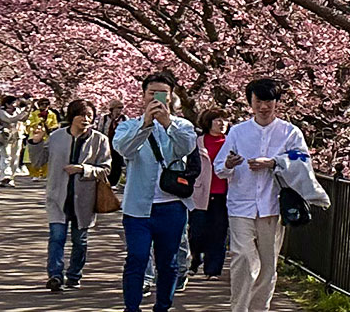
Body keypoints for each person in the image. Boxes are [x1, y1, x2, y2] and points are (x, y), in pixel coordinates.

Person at [214, 78, 303, 312]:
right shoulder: (237, 132)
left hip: (272, 206)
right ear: (251, 103)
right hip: (240, 204)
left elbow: (302, 161)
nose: (264, 107)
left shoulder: (290, 132)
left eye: (269, 101)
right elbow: (219, 166)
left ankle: (258, 309)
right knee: (242, 257)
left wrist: (274, 162)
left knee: (268, 265)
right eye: (259, 101)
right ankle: (239, 308)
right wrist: (230, 164)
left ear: (276, 103)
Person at [115, 72, 198, 312]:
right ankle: (131, 307)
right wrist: (146, 125)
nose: (157, 99)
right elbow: (124, 149)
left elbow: (186, 146)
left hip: (171, 206)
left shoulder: (182, 126)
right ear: (142, 97)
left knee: (168, 262)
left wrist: (167, 123)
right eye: (152, 93)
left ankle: (163, 306)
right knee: (137, 258)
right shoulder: (128, 126)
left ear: (171, 98)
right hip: (137, 207)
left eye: (162, 94)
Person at [36, 99, 110, 292]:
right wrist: (35, 142)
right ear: (72, 116)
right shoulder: (56, 137)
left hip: (84, 199)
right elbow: (38, 161)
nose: (86, 119)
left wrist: (82, 169)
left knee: (80, 241)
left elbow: (106, 169)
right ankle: (55, 275)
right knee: (57, 237)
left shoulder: (99, 140)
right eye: (82, 115)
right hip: (57, 196)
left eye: (90, 116)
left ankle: (74, 275)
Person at [188, 108, 231, 280]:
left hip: (223, 194)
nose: (222, 123)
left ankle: (213, 269)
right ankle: (195, 257)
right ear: (208, 123)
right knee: (196, 232)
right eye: (217, 120)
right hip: (200, 193)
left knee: (219, 233)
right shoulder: (197, 142)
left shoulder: (231, 142)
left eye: (224, 120)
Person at [0, 96, 29, 186]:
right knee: (6, 155)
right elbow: (10, 119)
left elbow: (23, 119)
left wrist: (28, 111)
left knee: (15, 157)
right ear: (7, 104)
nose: (16, 104)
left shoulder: (17, 111)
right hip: (5, 136)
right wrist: (23, 113)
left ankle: (11, 178)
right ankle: (5, 176)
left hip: (17, 136)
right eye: (14, 103)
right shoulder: (0, 111)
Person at [27, 98, 57, 180]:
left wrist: (49, 127)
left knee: (47, 155)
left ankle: (45, 173)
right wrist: (37, 123)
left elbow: (55, 124)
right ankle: (35, 174)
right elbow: (29, 123)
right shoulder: (34, 114)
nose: (44, 106)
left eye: (46, 104)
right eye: (42, 104)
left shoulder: (52, 114)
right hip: (36, 136)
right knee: (35, 155)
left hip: (47, 136)